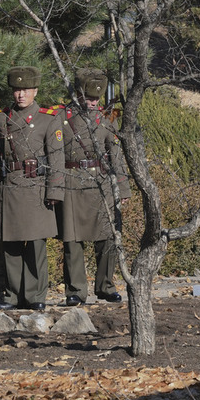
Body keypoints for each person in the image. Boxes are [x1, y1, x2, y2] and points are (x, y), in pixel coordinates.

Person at [0, 66, 64, 311]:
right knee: (11, 245)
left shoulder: (48, 118)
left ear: (35, 91)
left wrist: (55, 191)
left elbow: (56, 157)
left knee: (36, 246)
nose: (21, 95)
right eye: (17, 90)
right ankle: (11, 295)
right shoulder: (1, 118)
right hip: (10, 188)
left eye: (26, 90)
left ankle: (36, 295)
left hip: (37, 188)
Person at [56, 68, 131, 306]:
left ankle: (105, 286)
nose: (93, 102)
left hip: (101, 181)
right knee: (72, 240)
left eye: (96, 99)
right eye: (89, 98)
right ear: (78, 94)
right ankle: (76, 290)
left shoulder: (108, 117)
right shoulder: (62, 116)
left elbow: (115, 155)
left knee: (107, 237)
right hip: (71, 180)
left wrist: (123, 187)